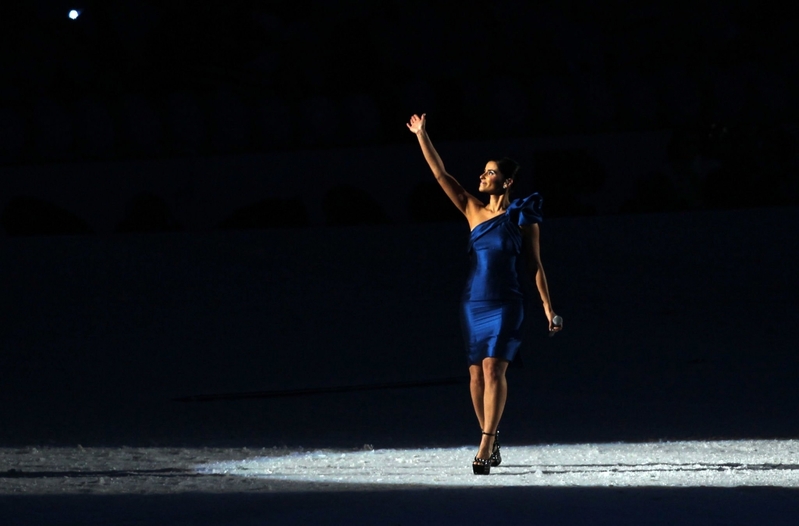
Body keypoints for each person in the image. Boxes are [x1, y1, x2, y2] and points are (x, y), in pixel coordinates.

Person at [406, 113, 562, 475]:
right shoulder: (472, 209)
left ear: (506, 181)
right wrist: (421, 135)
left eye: (490, 172)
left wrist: (548, 309)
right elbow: (441, 175)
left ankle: (486, 444)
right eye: (483, 171)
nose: (481, 176)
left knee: (494, 370)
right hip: (473, 303)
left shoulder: (523, 215)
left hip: (508, 301)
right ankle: (489, 436)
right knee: (476, 376)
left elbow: (535, 265)